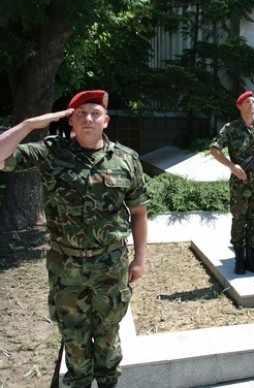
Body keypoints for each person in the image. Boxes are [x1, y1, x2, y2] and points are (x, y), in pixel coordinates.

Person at [0, 90, 149, 388]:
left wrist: (140, 259)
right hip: (66, 267)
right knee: (74, 338)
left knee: (107, 337)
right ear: (70, 121)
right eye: (80, 114)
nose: (88, 119)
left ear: (106, 121)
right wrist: (30, 124)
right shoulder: (50, 152)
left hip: (111, 265)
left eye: (95, 113)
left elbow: (139, 212)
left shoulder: (126, 160)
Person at [210, 91, 254, 274]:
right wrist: (232, 167)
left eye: (253, 101)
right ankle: (239, 257)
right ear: (239, 106)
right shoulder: (231, 128)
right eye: (247, 101)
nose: (251, 104)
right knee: (239, 220)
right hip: (239, 183)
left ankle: (251, 256)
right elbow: (214, 149)